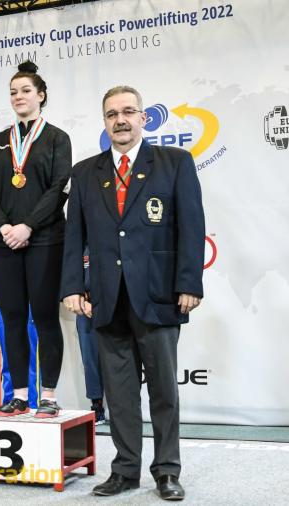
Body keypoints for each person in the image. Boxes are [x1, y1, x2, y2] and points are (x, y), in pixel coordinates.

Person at [61, 85, 205, 500]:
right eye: (112, 114)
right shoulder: (85, 173)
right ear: (104, 122)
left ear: (143, 117)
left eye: (128, 112)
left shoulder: (175, 162)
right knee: (120, 394)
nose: (120, 120)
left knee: (163, 391)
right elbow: (75, 236)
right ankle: (125, 470)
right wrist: (73, 286)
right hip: (107, 299)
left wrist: (189, 282)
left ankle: (167, 472)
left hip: (159, 294)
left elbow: (191, 226)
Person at [0, 61, 71, 418]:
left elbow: (59, 188)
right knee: (13, 318)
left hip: (45, 240)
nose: (19, 97)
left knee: (45, 318)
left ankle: (48, 396)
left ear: (41, 95)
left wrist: (28, 226)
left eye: (26, 91)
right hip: (3, 244)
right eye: (13, 92)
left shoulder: (57, 138)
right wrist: (4, 228)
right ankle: (18, 395)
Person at [0, 250, 39, 408]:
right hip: (1, 305)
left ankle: (31, 404)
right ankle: (9, 402)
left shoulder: (28, 242)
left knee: (29, 356)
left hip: (28, 304)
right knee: (8, 355)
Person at [76, 247, 106, 423]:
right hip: (85, 308)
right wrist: (82, 300)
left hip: (112, 305)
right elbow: (71, 279)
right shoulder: (80, 245)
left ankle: (124, 407)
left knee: (118, 358)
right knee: (90, 359)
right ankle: (96, 405)